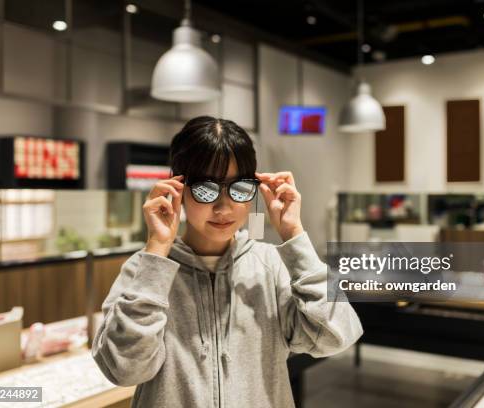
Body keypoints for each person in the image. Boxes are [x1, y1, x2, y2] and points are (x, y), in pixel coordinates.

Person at [92, 116, 363, 408]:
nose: (223, 206)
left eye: (238, 188)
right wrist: (157, 251)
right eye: (206, 189)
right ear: (178, 187)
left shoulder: (271, 266)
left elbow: (335, 336)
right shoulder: (144, 270)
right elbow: (124, 369)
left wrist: (294, 235)